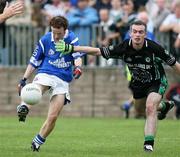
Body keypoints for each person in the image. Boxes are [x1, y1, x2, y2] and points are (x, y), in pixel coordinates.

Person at [55, 20, 180, 152]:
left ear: (145, 34)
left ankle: (148, 145)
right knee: (145, 108)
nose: (137, 35)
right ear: (130, 33)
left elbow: (174, 64)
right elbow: (97, 51)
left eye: (141, 32)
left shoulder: (155, 48)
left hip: (157, 81)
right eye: (135, 32)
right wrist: (72, 48)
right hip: (138, 84)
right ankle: (165, 106)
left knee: (150, 107)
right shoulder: (123, 48)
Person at [16, 16, 83, 152]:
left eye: (59, 33)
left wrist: (78, 68)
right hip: (46, 73)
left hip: (63, 80)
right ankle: (24, 107)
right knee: (39, 87)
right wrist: (23, 79)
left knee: (53, 117)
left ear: (65, 30)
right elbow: (34, 61)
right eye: (54, 32)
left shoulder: (72, 39)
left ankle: (37, 141)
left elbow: (78, 57)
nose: (56, 36)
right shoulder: (45, 39)